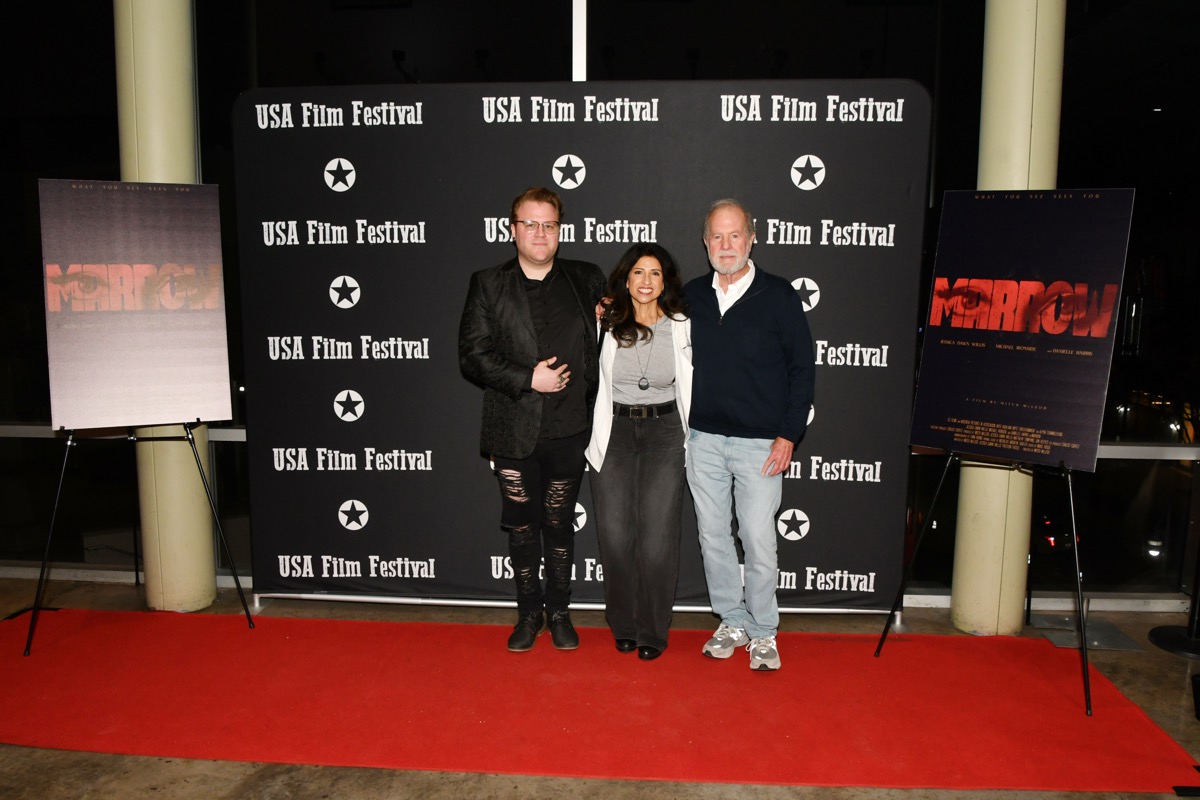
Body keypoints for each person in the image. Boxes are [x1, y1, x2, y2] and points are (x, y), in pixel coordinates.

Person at [459, 187, 606, 652]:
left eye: (549, 224)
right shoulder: (487, 283)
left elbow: (614, 336)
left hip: (570, 429)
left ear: (560, 230)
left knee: (560, 525)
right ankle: (528, 614)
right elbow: (472, 356)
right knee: (522, 527)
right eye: (530, 224)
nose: (540, 233)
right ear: (513, 229)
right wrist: (529, 378)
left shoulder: (587, 278)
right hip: (512, 430)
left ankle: (560, 612)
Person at [684, 198, 815, 671]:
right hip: (703, 439)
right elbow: (645, 325)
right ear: (704, 242)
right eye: (716, 236)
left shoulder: (778, 294)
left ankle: (763, 630)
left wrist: (789, 435)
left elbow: (803, 369)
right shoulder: (691, 295)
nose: (725, 245)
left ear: (752, 238)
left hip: (762, 442)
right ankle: (732, 619)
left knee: (758, 538)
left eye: (734, 235)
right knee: (713, 535)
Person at [585, 243, 692, 661]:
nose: (646, 281)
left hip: (665, 431)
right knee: (614, 535)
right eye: (638, 273)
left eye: (655, 274)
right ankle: (623, 625)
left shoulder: (684, 325)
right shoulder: (604, 323)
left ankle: (652, 630)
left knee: (657, 539)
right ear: (625, 279)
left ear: (665, 281)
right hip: (614, 431)